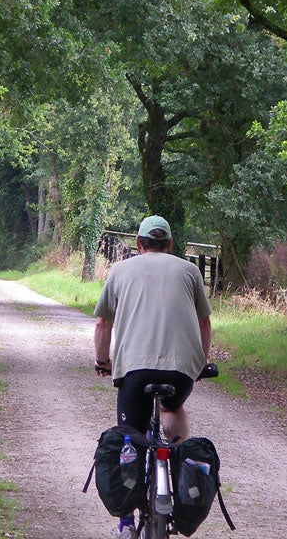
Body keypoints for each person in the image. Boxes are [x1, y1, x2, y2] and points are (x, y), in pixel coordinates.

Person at [93, 215, 213, 539]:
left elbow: (103, 323)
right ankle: (181, 472)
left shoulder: (119, 270)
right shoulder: (189, 271)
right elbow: (204, 324)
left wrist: (103, 361)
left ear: (138, 243)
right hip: (180, 370)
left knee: (130, 433)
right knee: (172, 410)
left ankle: (127, 524)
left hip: (134, 369)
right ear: (170, 244)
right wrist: (201, 363)